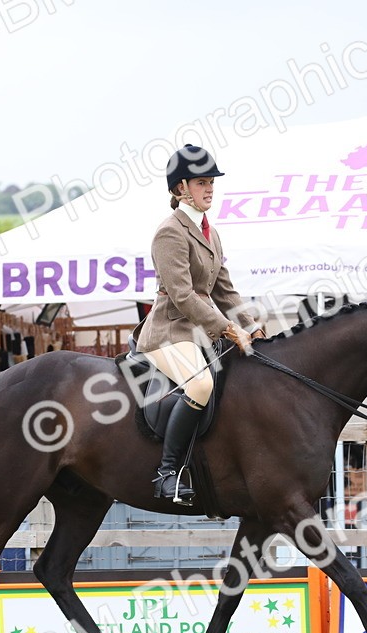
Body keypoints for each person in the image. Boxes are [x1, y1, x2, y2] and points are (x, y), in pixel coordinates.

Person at [135, 144, 261, 504]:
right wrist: (226, 328)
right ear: (180, 189)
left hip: (200, 333)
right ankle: (167, 475)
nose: (210, 189)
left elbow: (224, 290)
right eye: (202, 182)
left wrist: (251, 326)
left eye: (212, 182)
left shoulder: (211, 232)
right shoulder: (169, 232)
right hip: (168, 334)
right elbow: (182, 295)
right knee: (201, 385)